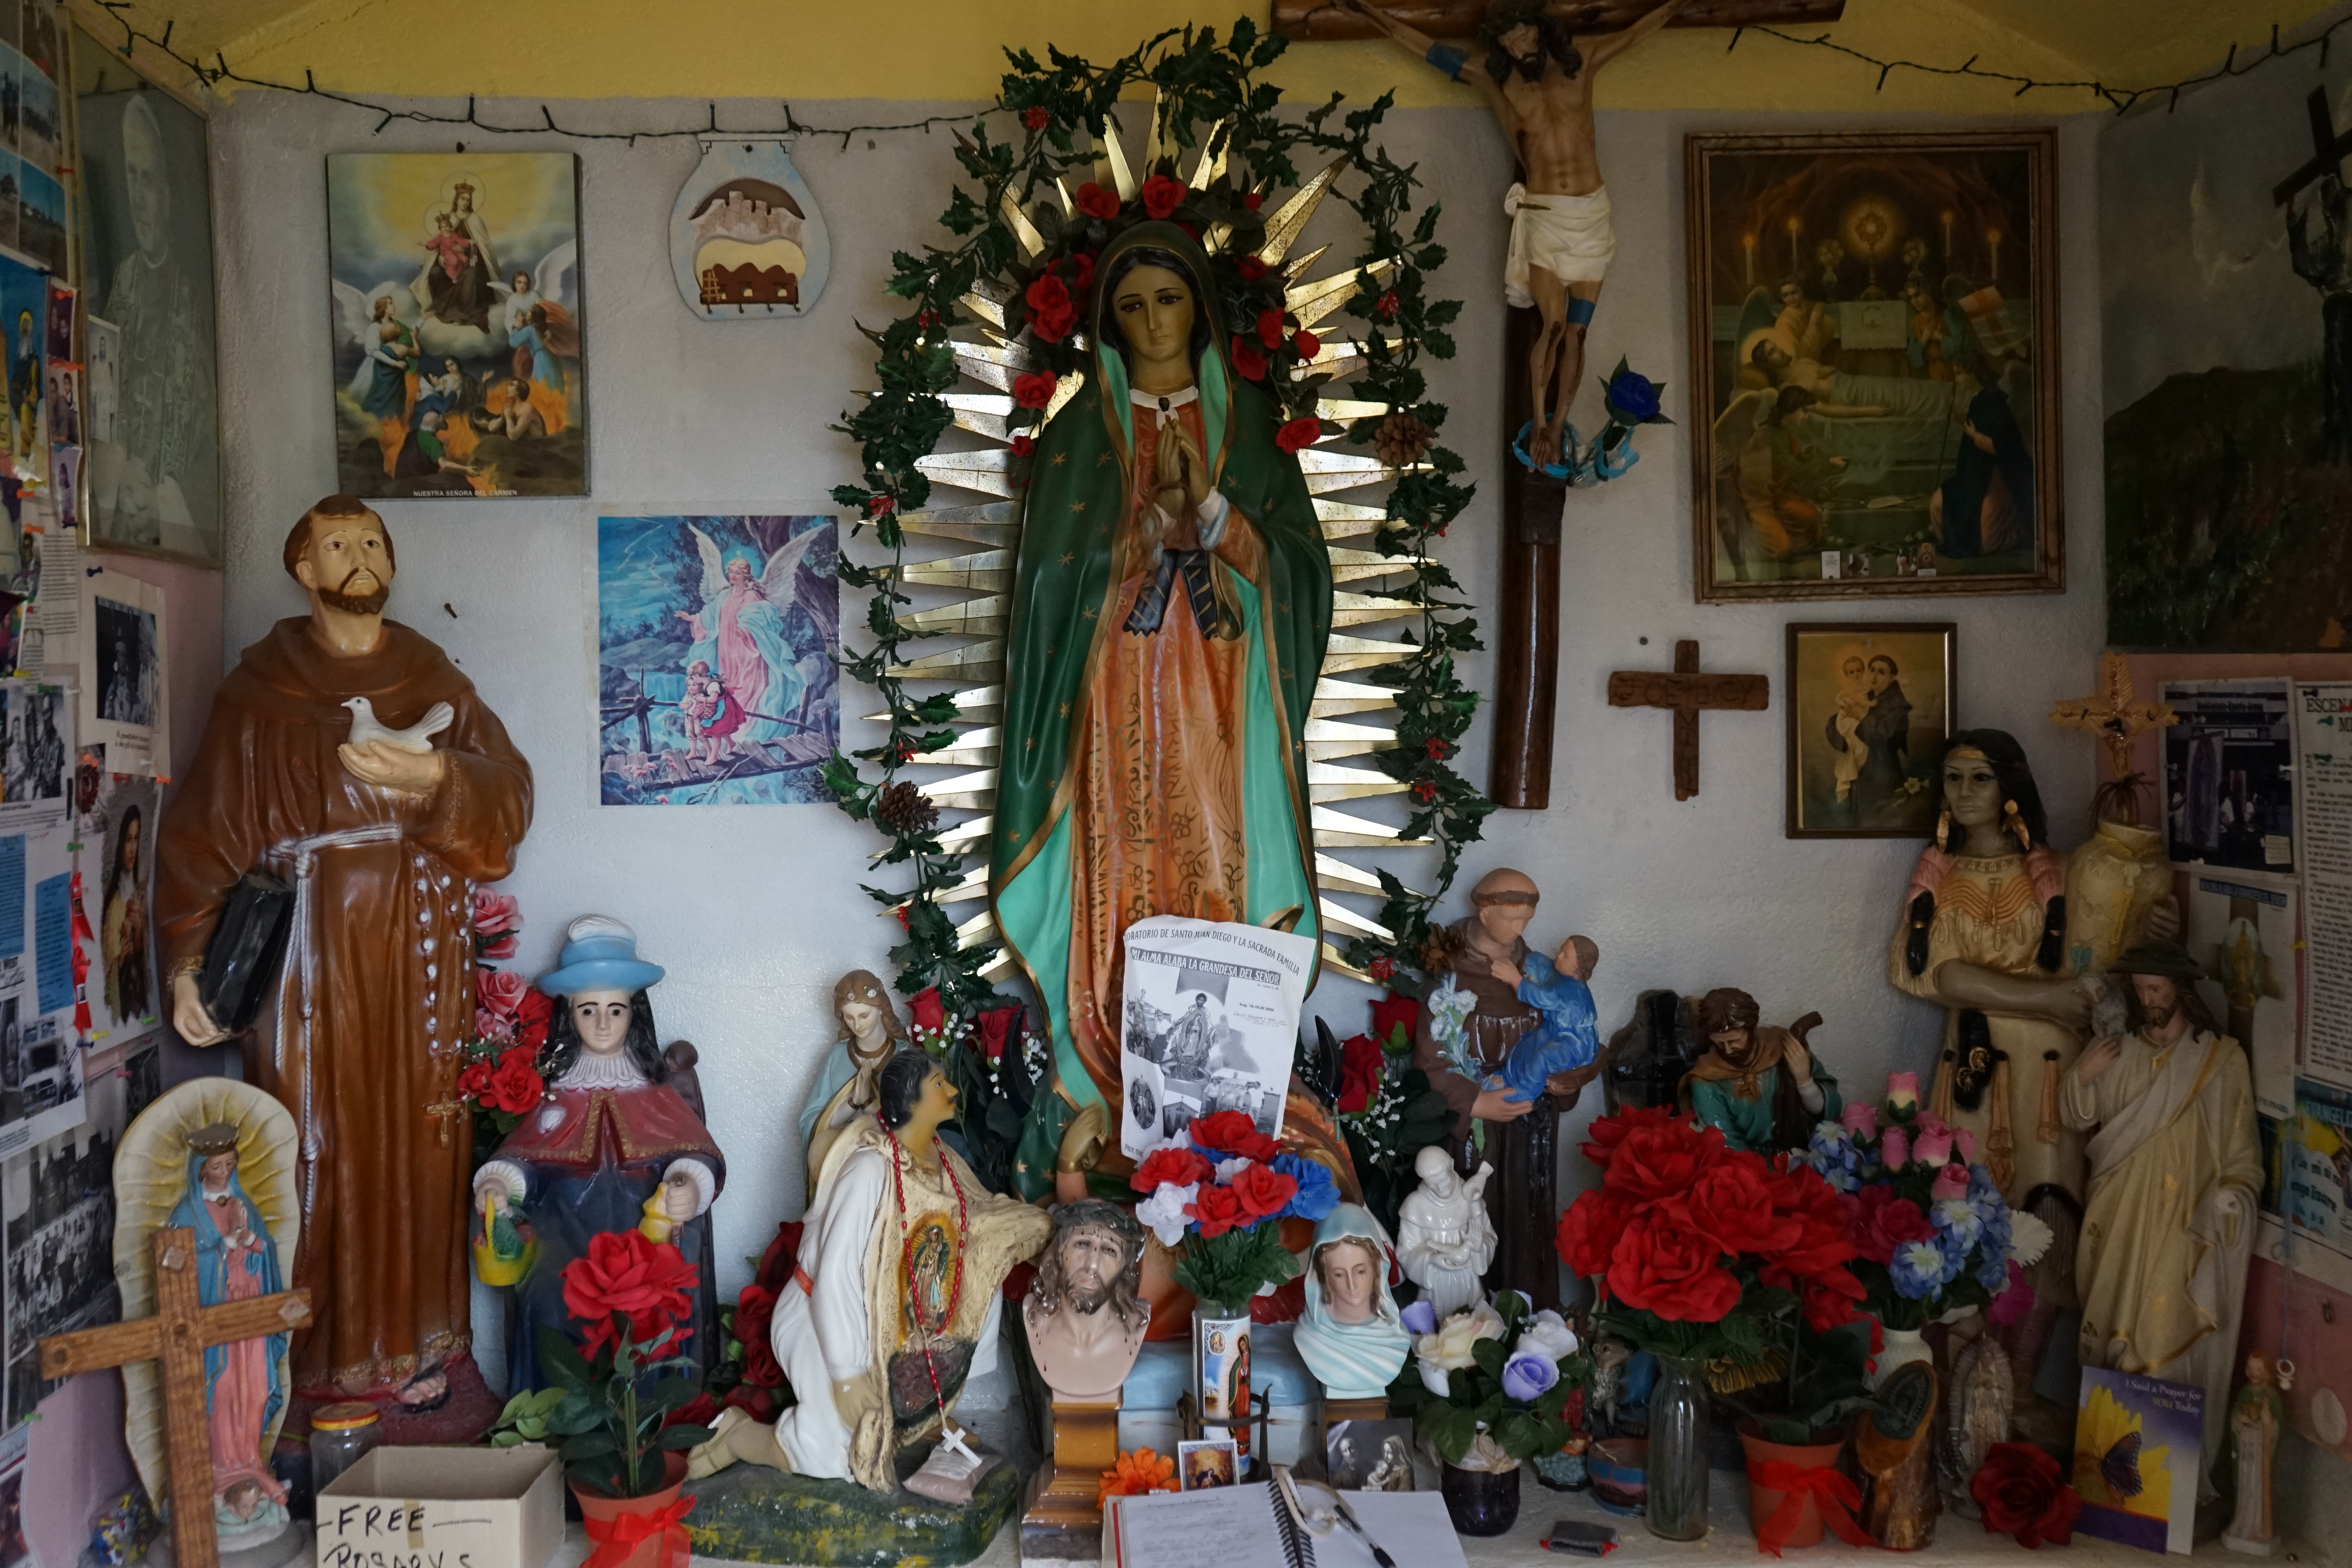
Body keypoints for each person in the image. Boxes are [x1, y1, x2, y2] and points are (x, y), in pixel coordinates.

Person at [995, 220, 1354, 1205]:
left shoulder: (1252, 432)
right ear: (1107, 322)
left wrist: (1219, 522)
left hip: (1222, 715)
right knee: (1123, 880)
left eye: (1169, 299)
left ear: (1200, 306)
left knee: (1213, 874)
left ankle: (1226, 1114)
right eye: (1131, 305)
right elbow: (1048, 604)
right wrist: (1137, 537)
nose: (1152, 321)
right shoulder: (1079, 439)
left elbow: (1303, 578)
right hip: (1112, 712)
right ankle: (1116, 1099)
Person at [158, 495, 533, 1399]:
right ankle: (311, 1363)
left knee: (420, 1138)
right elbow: (205, 832)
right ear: (304, 569)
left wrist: (439, 775)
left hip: (417, 942)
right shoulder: (259, 694)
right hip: (300, 952)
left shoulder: (435, 680)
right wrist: (185, 962)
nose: (359, 556)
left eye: (372, 541)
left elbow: (510, 796)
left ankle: (422, 1355)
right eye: (337, 544)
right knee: (309, 1138)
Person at [1345, 0, 1687, 463]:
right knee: (1553, 324)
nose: (1515, 46)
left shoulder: (1581, 62)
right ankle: (1543, 424)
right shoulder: (1496, 77)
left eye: (1521, 35)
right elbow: (1431, 51)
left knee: (1578, 334)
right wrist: (1375, 15)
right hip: (1545, 215)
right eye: (1506, 42)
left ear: (1539, 28)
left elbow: (1635, 33)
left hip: (1589, 215)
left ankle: (1561, 420)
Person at [689, 1051, 1051, 1489]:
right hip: (821, 1315)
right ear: (912, 1102)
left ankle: (925, 1423)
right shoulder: (869, 1170)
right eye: (939, 1084)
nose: (952, 1091)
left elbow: (981, 1220)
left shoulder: (945, 1163)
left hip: (891, 1325)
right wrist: (845, 1375)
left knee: (983, 1263)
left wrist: (1038, 1227)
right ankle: (739, 1435)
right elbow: (836, 1274)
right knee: (840, 1455)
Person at [472, 917, 725, 1393]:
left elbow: (695, 1151)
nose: (604, 1023)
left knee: (657, 1303)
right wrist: (500, 1182)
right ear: (570, 1015)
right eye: (589, 1010)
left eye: (616, 1009)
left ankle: (652, 1423)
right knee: (550, 1300)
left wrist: (689, 1182)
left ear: (635, 1014)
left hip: (646, 1244)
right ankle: (561, 1421)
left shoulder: (654, 1093)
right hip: (566, 1242)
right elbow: (524, 1158)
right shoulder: (556, 1096)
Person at [2064, 940, 2259, 1498]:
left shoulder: (2219, 1062)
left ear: (2182, 991)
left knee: (2165, 1330)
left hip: (2182, 1224)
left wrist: (2233, 1198)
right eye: (2141, 990)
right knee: (2113, 1332)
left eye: (2157, 990)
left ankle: (2166, 1494)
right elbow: (2078, 1115)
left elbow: (2243, 1153)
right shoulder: (2120, 1053)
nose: (2148, 1000)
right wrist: (2084, 1074)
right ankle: (2114, 1493)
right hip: (2119, 1215)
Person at [1889, 731, 2084, 1204]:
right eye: (1953, 779)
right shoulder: (1936, 879)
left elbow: (2094, 962)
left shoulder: (2062, 870)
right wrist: (2050, 1000)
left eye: (1981, 779)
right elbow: (1928, 974)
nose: (1965, 792)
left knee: (2049, 1197)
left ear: (2010, 788)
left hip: (2049, 1063)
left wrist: (2152, 916)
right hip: (1974, 1059)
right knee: (1969, 1196)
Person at [1412, 867, 1602, 1307]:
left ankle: (1529, 1331)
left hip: (1530, 1134)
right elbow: (1429, 1060)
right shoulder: (1449, 976)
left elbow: (1568, 1042)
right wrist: (1475, 1102)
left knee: (1525, 1229)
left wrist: (1566, 1082)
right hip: (1474, 1137)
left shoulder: (1541, 977)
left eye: (1527, 920)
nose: (1520, 930)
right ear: (1483, 909)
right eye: (1511, 917)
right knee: (1471, 1231)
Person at [100, 93, 218, 549]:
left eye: (149, 180)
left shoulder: (193, 288)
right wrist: (122, 471)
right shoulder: (123, 280)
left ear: (169, 194)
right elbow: (106, 398)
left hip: (175, 509)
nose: (139, 198)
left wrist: (166, 498)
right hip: (124, 506)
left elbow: (210, 428)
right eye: (131, 177)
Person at [169, 1124, 292, 1543]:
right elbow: (179, 1266)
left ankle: (250, 1459)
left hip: (250, 1316)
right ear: (201, 1169)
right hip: (215, 1322)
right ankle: (221, 1466)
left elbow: (265, 1252)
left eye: (230, 1165)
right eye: (217, 1166)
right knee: (222, 1392)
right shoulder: (186, 1214)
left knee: (256, 1388)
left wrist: (250, 1238)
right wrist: (224, 1244)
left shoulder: (243, 1202)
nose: (224, 1173)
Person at [1677, 988, 1839, 1154]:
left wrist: (1805, 1081)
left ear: (1751, 1029)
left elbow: (1830, 1111)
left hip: (1801, 1155)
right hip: (1750, 1167)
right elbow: (1723, 1141)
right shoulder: (1706, 1081)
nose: (1728, 1050)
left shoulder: (1782, 1049)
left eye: (1735, 1041)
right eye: (1719, 1043)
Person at [1022, 1198, 1149, 1403]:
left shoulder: (1136, 1324)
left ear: (1123, 1268)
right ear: (1059, 1253)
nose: (1092, 1264)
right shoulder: (1034, 1319)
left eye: (1110, 1250)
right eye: (1082, 1244)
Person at [798, 971, 908, 1200]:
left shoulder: (904, 1056)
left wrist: (868, 1103)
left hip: (892, 1174)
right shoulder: (837, 1058)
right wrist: (851, 1103)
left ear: (881, 1009)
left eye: (864, 1015)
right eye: (849, 1018)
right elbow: (809, 1123)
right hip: (844, 1171)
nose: (857, 1025)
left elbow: (916, 1124)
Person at [1293, 1204, 1410, 1400]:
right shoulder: (1310, 1337)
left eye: (1360, 1271)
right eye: (1339, 1274)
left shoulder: (1395, 1339)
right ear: (1324, 1278)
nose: (1352, 1285)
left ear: (1377, 1271)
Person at [1929, 354, 2034, 558]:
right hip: (1974, 477)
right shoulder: (1980, 402)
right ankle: (1957, 541)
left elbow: (2004, 447)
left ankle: (2022, 532)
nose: (1956, 380)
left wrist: (1974, 436)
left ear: (1975, 374)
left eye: (1959, 374)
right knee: (1937, 504)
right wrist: (1963, 421)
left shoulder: (1995, 404)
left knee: (1987, 543)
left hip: (1997, 476)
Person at [1394, 1146, 1495, 1318]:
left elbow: (1489, 1236)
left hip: (1468, 1281)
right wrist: (1433, 1259)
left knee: (1474, 1325)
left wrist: (1479, 1247)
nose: (1441, 1189)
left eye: (1444, 1180)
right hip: (1436, 1287)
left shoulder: (1470, 1199)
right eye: (1433, 1184)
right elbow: (1406, 1253)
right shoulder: (1414, 1205)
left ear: (1452, 1166)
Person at [2224, 1353, 2288, 1553]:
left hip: (2261, 1452)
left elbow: (2277, 1425)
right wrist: (2239, 1420)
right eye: (2251, 1369)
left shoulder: (2272, 1397)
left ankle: (2259, 1528)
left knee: (2258, 1488)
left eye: (2259, 1370)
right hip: (2246, 1450)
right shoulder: (2244, 1392)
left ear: (2268, 1373)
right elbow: (2236, 1415)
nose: (2254, 1374)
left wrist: (2269, 1422)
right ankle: (2242, 1523)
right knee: (2245, 1487)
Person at [101, 802, 150, 1022]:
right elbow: (107, 969)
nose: (132, 848)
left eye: (136, 839)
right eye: (128, 840)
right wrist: (120, 959)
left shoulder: (142, 893)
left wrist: (140, 935)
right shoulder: (113, 906)